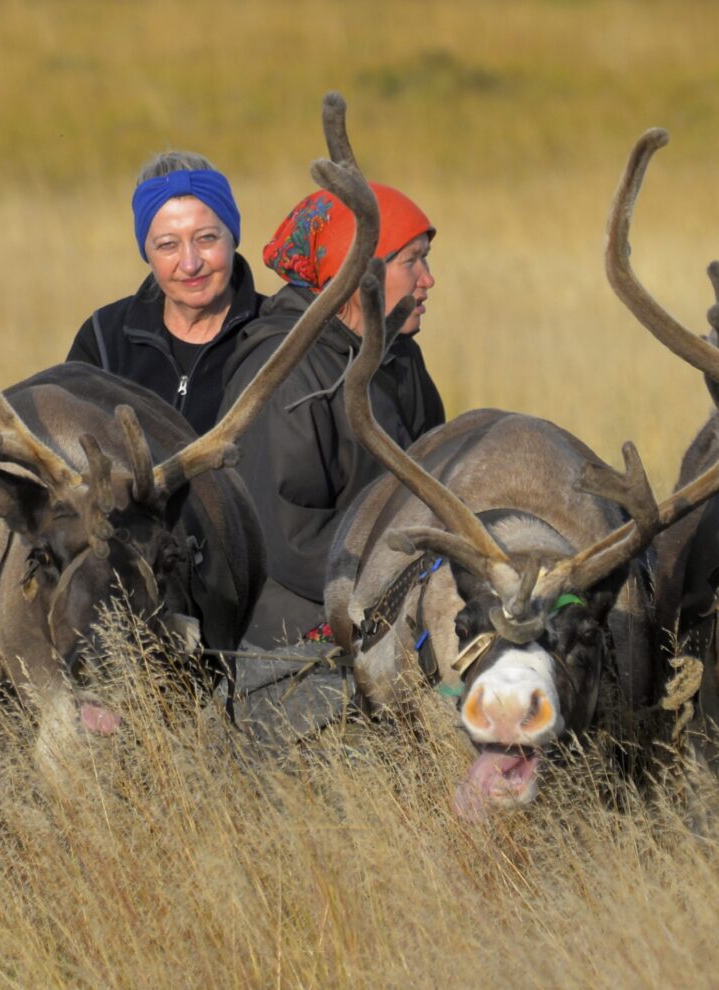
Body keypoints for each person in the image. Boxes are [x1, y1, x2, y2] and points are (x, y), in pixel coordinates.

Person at [217, 182, 445, 740]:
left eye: (427, 260)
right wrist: (412, 581)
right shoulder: (283, 371)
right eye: (412, 261)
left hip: (391, 618)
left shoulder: (399, 358)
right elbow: (286, 542)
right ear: (356, 274)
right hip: (293, 652)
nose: (428, 280)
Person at [66, 151, 264, 436]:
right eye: (168, 244)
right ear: (146, 252)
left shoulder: (276, 336)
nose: (190, 263)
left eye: (206, 237)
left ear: (233, 237)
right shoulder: (103, 339)